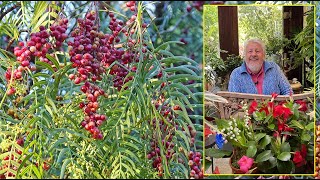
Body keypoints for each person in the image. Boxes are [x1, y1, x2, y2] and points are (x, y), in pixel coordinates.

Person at [228, 38, 292, 95]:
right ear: (244, 55)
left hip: (274, 108)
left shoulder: (274, 68)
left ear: (263, 55)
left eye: (257, 51)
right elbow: (233, 100)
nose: (254, 54)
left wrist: (282, 107)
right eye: (250, 51)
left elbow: (288, 91)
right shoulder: (236, 74)